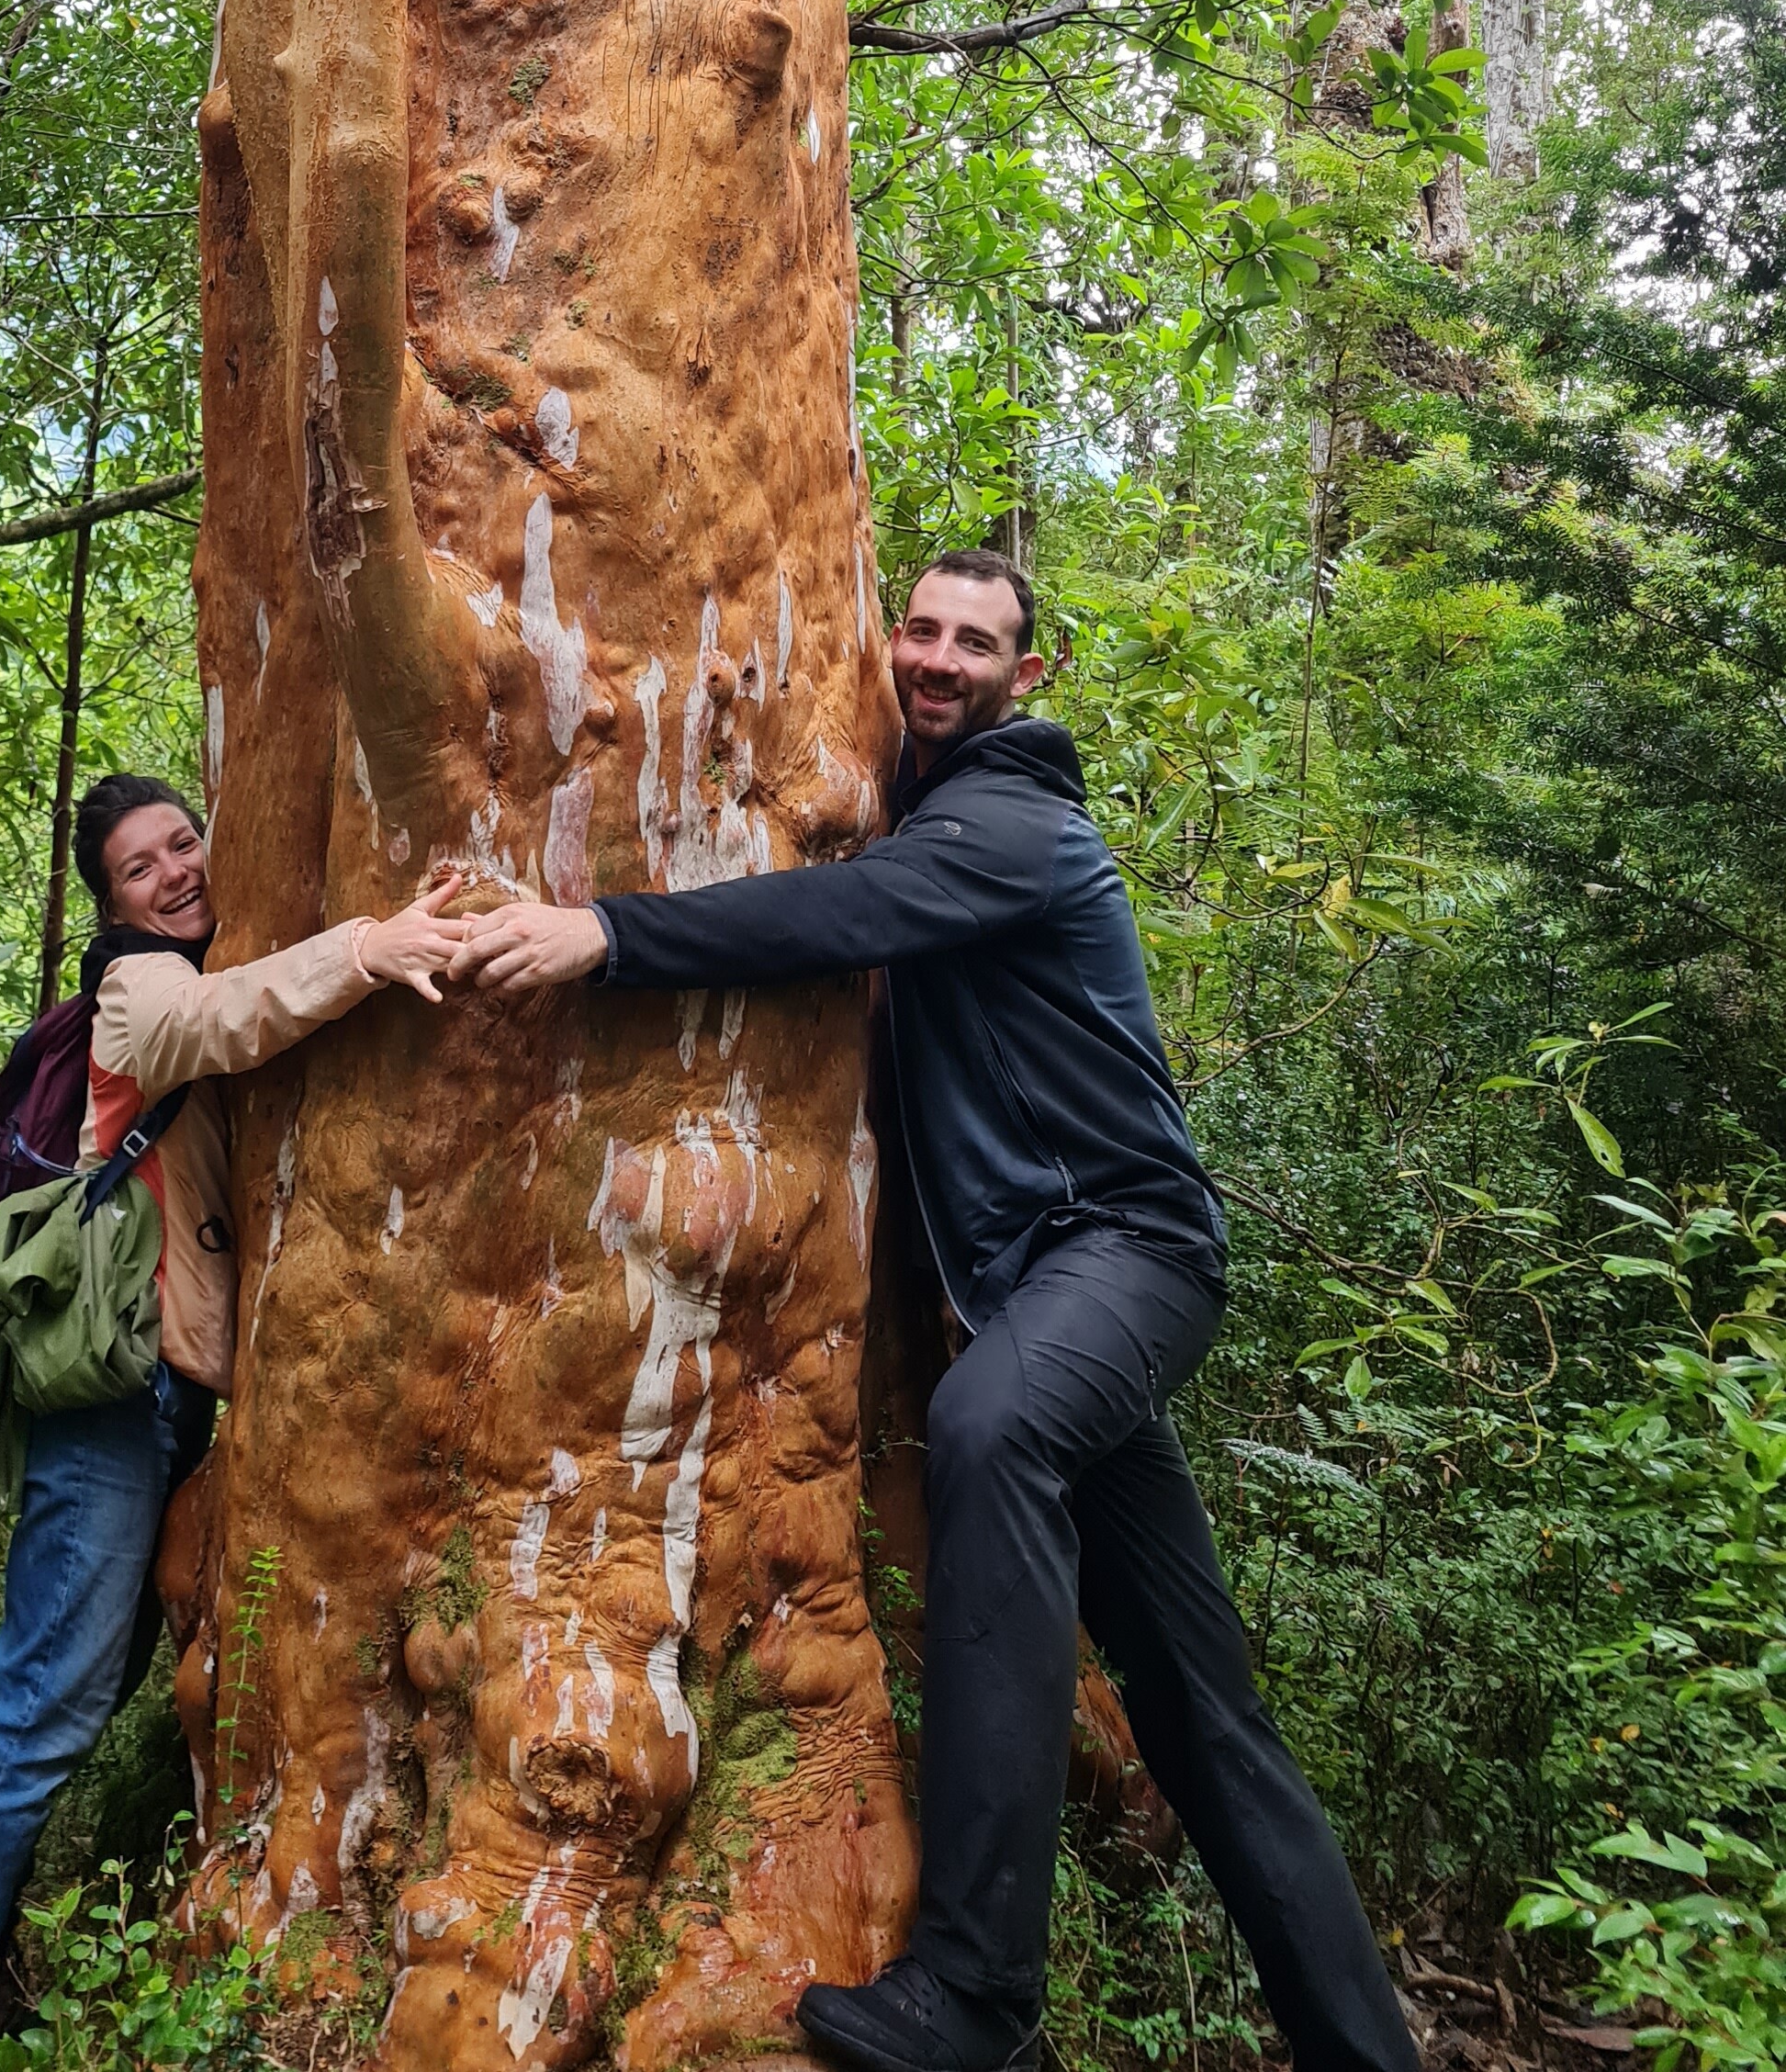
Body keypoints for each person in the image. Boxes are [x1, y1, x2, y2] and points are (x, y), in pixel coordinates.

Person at [453, 553, 1416, 2072]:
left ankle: (978, 1996)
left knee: (987, 1434)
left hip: (1127, 1252)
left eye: (980, 641)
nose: (943, 659)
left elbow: (852, 912)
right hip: (1052, 1291)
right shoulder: (937, 814)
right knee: (1198, 1709)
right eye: (922, 629)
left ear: (1028, 676)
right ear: (885, 642)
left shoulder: (1016, 818)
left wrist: (607, 936)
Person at [0, 772, 465, 2068]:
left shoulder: (185, 956)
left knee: (84, 1679)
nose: (176, 872)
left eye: (186, 843)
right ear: (110, 902)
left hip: (168, 1391)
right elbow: (224, 1020)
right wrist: (375, 943)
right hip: (114, 1399)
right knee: (44, 1692)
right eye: (141, 867)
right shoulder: (138, 987)